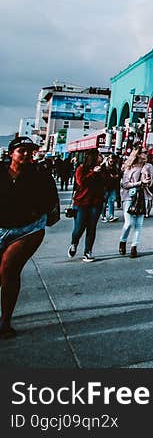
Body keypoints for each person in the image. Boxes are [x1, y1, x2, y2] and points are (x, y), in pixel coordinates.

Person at [0, 136, 60, 339]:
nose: (26, 154)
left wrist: (36, 211)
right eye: (21, 150)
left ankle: (5, 322)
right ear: (11, 154)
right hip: (1, 227)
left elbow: (51, 198)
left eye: (29, 151)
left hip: (28, 229)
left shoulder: (39, 174)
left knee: (8, 269)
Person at [68, 149, 106, 263]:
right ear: (93, 157)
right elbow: (81, 182)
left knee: (91, 227)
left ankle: (88, 251)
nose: (101, 157)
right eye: (99, 155)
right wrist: (93, 172)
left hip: (96, 203)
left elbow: (106, 183)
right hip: (81, 203)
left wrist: (104, 172)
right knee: (79, 228)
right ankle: (74, 243)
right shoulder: (81, 169)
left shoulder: (102, 170)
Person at [119, 149, 148, 258]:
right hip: (129, 197)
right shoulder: (129, 168)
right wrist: (140, 182)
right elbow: (125, 184)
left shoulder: (147, 167)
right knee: (129, 223)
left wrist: (147, 180)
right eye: (144, 152)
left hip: (142, 196)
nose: (146, 154)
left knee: (139, 224)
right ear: (138, 155)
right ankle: (123, 240)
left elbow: (151, 183)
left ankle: (134, 246)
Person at [100, 154, 121, 223]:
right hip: (105, 187)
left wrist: (116, 176)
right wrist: (112, 176)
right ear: (108, 159)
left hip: (113, 186)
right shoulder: (103, 166)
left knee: (111, 200)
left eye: (113, 161)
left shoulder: (115, 166)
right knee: (104, 202)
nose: (112, 162)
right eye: (111, 161)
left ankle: (111, 215)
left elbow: (118, 175)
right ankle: (103, 216)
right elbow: (102, 177)